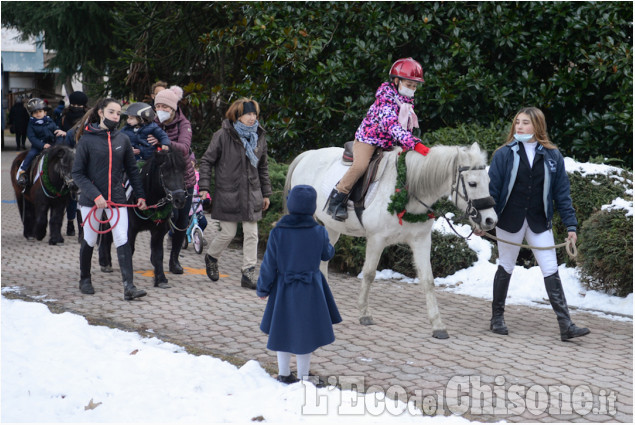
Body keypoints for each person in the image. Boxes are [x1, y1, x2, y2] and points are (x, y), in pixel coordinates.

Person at [478, 107, 590, 342]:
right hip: (509, 221)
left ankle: (566, 325)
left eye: (525, 123)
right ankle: (496, 318)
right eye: (517, 122)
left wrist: (571, 226)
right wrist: (483, 222)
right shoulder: (503, 154)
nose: (519, 127)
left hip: (539, 221)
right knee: (506, 266)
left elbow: (562, 193)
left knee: (550, 268)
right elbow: (493, 191)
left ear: (537, 126)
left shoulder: (552, 156)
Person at [326, 57, 430, 221]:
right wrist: (413, 143)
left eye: (415, 86)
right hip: (368, 140)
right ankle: (337, 197)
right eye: (409, 85)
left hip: (390, 143)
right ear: (396, 81)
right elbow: (391, 125)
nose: (412, 89)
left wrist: (412, 143)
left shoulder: (406, 101)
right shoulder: (386, 99)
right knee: (360, 166)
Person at [256, 185, 342, 383]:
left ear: (291, 204)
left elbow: (269, 264)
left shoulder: (278, 232)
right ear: (312, 208)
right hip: (311, 288)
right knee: (306, 331)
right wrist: (327, 241)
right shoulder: (319, 231)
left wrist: (263, 288)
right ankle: (303, 375)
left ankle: (284, 374)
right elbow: (327, 254)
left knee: (282, 329)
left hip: (283, 287)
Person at [71, 98, 148, 301]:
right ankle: (85, 279)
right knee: (90, 239)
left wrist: (140, 195)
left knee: (122, 238)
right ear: (101, 113)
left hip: (117, 199)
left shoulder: (123, 140)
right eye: (112, 112)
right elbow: (78, 173)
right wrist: (95, 195)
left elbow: (132, 171)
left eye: (118, 113)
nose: (116, 116)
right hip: (91, 200)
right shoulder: (86, 140)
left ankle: (129, 287)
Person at [198, 98, 272, 289]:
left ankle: (248, 273)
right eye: (248, 114)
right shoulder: (222, 135)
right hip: (228, 193)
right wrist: (204, 187)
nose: (252, 117)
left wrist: (266, 193)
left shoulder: (259, 135)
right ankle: (211, 256)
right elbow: (206, 161)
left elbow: (263, 167)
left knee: (251, 234)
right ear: (237, 116)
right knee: (228, 234)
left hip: (252, 193)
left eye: (254, 114)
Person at [150, 85, 195, 274]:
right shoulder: (151, 123)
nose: (161, 110)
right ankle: (156, 256)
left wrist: (162, 142)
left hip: (182, 179)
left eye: (165, 107)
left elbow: (184, 147)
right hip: (160, 180)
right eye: (158, 106)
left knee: (181, 220)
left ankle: (174, 258)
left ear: (174, 108)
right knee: (163, 219)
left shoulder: (184, 124)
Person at [16, 98, 66, 187]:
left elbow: (57, 132)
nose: (38, 114)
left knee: (64, 155)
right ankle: (22, 172)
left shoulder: (50, 121)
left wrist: (58, 144)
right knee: (30, 155)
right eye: (35, 112)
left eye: (40, 111)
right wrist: (42, 145)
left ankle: (66, 174)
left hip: (52, 144)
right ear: (32, 114)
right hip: (38, 146)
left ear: (45, 112)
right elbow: (32, 137)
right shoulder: (31, 124)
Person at [60, 91, 90, 237]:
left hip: (86, 160)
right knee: (71, 196)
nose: (76, 107)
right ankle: (70, 222)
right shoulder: (64, 115)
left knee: (82, 197)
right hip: (70, 156)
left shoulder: (88, 119)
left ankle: (83, 227)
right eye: (74, 104)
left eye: (80, 105)